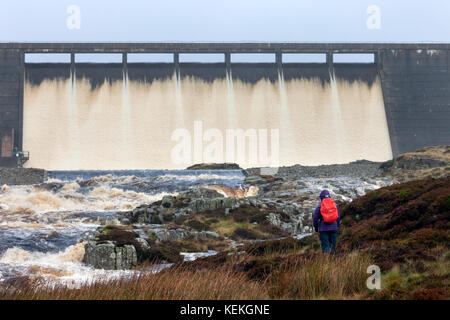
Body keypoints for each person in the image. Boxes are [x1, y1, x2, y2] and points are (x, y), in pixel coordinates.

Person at [313, 189, 340, 254]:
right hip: (334, 227)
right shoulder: (335, 205)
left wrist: (316, 228)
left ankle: (326, 261)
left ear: (321, 197)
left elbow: (315, 218)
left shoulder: (319, 206)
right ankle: (332, 261)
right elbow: (338, 217)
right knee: (332, 246)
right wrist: (337, 225)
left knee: (326, 247)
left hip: (323, 228)